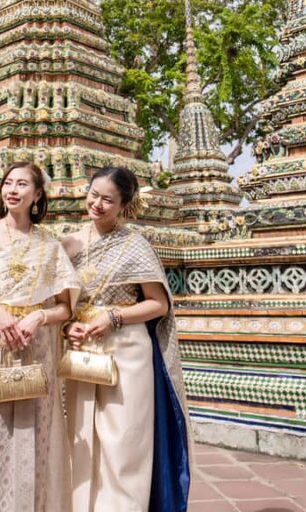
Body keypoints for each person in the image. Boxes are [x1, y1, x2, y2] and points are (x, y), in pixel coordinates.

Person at [0, 162, 80, 512]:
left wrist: (39, 315)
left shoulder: (50, 244)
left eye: (22, 184)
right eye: (8, 183)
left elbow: (65, 309)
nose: (13, 190)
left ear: (38, 195)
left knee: (37, 431)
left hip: (36, 344)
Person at [62, 167, 192, 512]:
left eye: (108, 199)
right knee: (81, 439)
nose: (97, 204)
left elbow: (158, 303)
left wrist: (113, 316)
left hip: (126, 351)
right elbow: (59, 302)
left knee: (123, 441)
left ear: (124, 204)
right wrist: (67, 327)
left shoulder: (135, 245)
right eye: (93, 194)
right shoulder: (71, 242)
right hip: (83, 348)